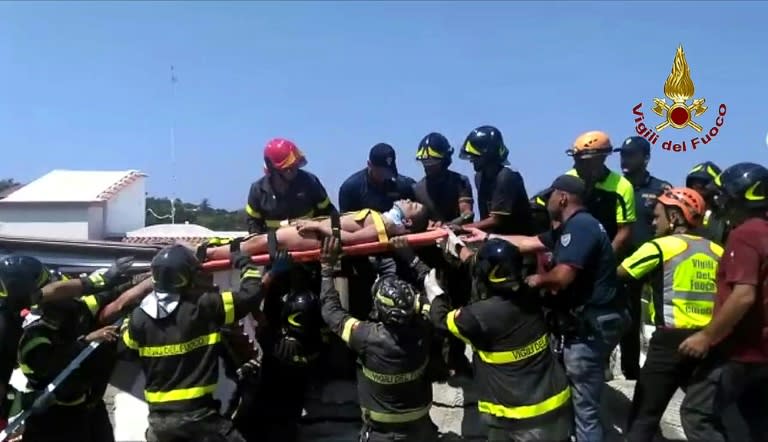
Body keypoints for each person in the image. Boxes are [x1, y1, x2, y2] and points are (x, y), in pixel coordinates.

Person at [463, 174, 625, 442]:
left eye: (551, 195)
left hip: (590, 326)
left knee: (585, 408)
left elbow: (561, 278)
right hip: (589, 323)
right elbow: (529, 242)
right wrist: (487, 236)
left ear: (562, 198)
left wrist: (530, 281)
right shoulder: (570, 227)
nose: (547, 200)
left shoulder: (580, 227)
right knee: (581, 401)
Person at [120, 242, 293, 442]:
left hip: (159, 424)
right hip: (198, 418)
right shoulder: (203, 307)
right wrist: (244, 263)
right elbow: (250, 295)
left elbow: (127, 348)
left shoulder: (139, 318)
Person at [429, 238, 573, 441]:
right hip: (556, 406)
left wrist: (436, 294)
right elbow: (492, 268)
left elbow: (441, 320)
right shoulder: (532, 293)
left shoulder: (476, 317)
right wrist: (459, 247)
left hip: (514, 420)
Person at [617, 187, 721, 441]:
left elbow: (620, 273)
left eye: (656, 216)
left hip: (669, 343)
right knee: (706, 414)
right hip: (710, 341)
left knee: (644, 416)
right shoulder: (717, 251)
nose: (653, 222)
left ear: (674, 217)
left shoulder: (661, 246)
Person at [678, 162, 768, 442]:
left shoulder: (745, 235)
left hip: (739, 351)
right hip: (762, 351)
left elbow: (743, 295)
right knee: (757, 417)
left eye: (726, 195)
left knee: (696, 413)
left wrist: (706, 336)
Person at [318, 236, 438, 442]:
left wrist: (327, 269)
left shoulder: (366, 337)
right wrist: (412, 259)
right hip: (422, 432)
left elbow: (331, 312)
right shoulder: (426, 327)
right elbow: (435, 290)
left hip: (380, 435)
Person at [0, 255, 134, 429]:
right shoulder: (5, 329)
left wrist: (102, 279)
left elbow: (54, 291)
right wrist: (23, 401)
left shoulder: (14, 299)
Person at [17, 285, 133, 442]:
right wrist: (85, 341)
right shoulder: (35, 337)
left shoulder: (76, 317)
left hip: (87, 405)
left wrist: (130, 282)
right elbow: (56, 364)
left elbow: (106, 297)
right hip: (52, 412)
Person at [614, 136, 672, 380]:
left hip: (656, 260)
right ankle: (630, 370)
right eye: (623, 154)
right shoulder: (615, 186)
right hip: (627, 262)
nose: (625, 159)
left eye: (631, 155)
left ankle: (665, 367)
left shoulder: (661, 189)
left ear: (645, 158)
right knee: (629, 316)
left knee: (662, 314)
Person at [203, 199, 430, 261]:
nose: (409, 199)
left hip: (315, 236)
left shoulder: (387, 225)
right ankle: (209, 251)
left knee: (258, 244)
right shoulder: (383, 218)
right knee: (257, 241)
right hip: (314, 230)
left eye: (413, 205)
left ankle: (207, 254)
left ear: (407, 222)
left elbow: (350, 239)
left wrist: (314, 225)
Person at [565, 131, 636, 254]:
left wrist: (606, 259)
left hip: (604, 254)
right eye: (576, 160)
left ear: (601, 158)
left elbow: (624, 231)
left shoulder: (622, 187)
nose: (576, 165)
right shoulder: (567, 181)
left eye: (583, 161)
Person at [245, 138, 334, 234]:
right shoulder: (258, 191)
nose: (295, 171)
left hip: (309, 240)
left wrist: (331, 233)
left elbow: (330, 213)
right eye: (288, 168)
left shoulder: (310, 182)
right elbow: (253, 225)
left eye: (295, 166)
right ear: (271, 167)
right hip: (275, 244)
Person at [461, 125, 533, 235]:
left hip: (517, 240)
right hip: (493, 238)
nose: (471, 161)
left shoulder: (507, 176)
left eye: (475, 157)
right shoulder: (479, 177)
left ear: (489, 155)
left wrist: (462, 228)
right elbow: (486, 217)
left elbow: (497, 220)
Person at [412, 132, 474, 224]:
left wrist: (448, 226)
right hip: (429, 235)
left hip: (458, 234)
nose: (428, 166)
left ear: (445, 160)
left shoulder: (460, 182)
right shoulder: (417, 189)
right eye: (425, 162)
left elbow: (467, 213)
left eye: (433, 162)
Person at [338, 143, 417, 214]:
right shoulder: (351, 189)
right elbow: (343, 222)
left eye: (388, 171)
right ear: (369, 165)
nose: (385, 176)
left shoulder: (405, 185)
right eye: (381, 172)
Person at [685, 161, 728, 245]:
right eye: (695, 183)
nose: (698, 186)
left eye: (703, 183)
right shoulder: (680, 210)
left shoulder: (726, 214)